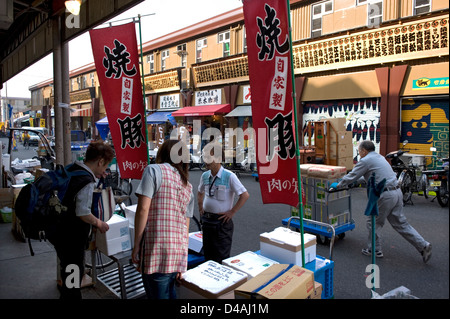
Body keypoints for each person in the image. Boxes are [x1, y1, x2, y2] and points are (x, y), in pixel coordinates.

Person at [335, 140, 432, 263]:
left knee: (373, 222)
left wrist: (337, 185)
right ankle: (423, 245)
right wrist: (355, 182)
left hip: (384, 195)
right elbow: (370, 176)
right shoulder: (379, 157)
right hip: (396, 192)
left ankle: (374, 250)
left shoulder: (365, 160)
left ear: (364, 151)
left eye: (359, 151)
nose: (359, 153)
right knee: (401, 224)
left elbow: (352, 176)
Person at [132, 139, 194, 299]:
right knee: (169, 292)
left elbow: (143, 209)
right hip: (176, 253)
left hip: (156, 252)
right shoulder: (188, 186)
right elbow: (185, 227)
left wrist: (136, 245)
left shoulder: (153, 170)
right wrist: (183, 262)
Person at [53, 141, 114, 299]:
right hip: (72, 237)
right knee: (73, 277)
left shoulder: (73, 168)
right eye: (105, 166)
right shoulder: (86, 181)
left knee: (68, 271)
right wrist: (99, 223)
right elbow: (83, 213)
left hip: (59, 231)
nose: (104, 170)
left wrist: (99, 175)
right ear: (100, 161)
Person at [197, 143, 250, 263]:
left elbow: (244, 195)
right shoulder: (205, 175)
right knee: (207, 256)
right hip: (207, 221)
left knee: (221, 257)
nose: (205, 160)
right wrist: (200, 206)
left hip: (221, 223)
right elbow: (199, 192)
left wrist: (232, 212)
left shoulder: (229, 176)